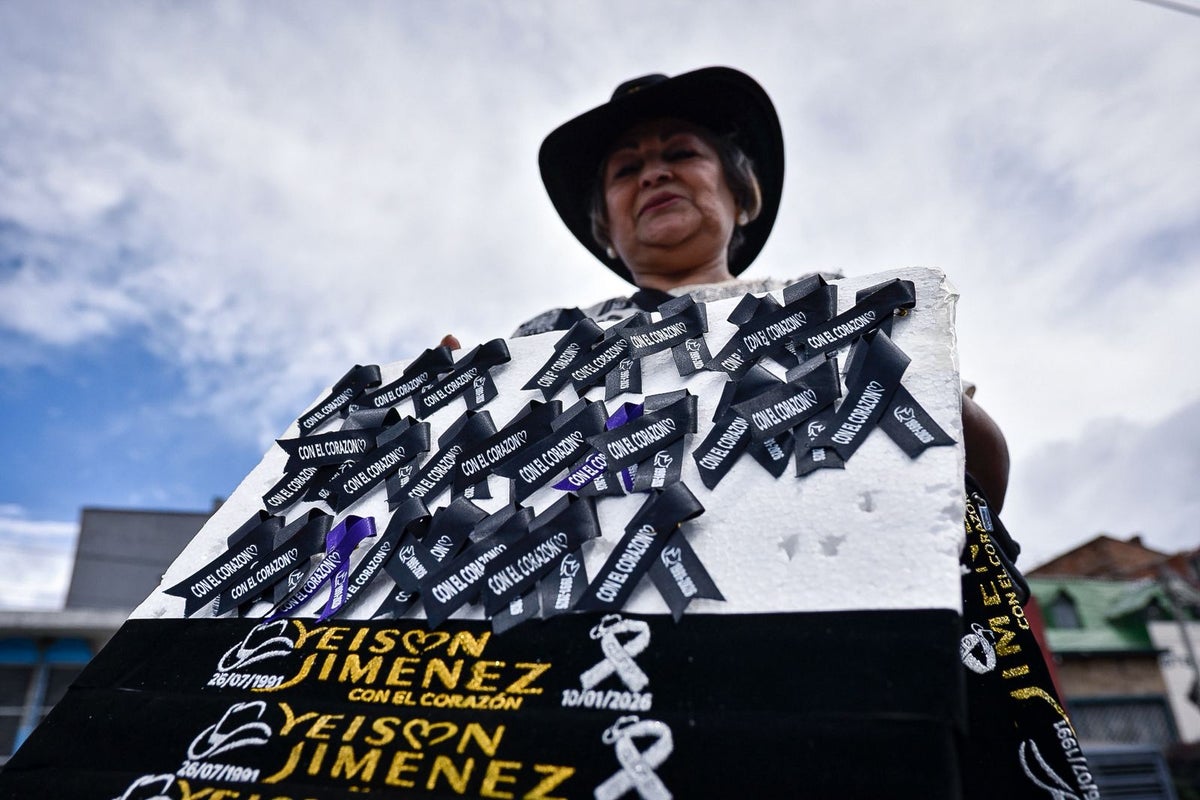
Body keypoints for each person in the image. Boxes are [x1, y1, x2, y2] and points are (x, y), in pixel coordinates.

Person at [521, 67, 1010, 509]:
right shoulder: (541, 342)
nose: (654, 173)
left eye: (681, 153)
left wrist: (916, 381)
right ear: (604, 224)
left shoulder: (835, 301)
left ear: (740, 191)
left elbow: (980, 465)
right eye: (627, 170)